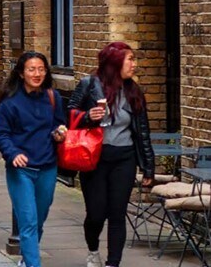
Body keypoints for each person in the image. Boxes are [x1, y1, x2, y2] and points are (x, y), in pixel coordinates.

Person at [70, 41, 155, 267]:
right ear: (115, 63)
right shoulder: (89, 85)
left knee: (118, 213)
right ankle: (93, 250)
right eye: (130, 59)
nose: (134, 64)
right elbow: (69, 114)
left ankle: (113, 263)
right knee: (96, 214)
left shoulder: (133, 91)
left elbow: (142, 131)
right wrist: (88, 116)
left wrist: (148, 165)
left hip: (124, 159)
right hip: (94, 159)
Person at [0, 52, 68, 267]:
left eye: (41, 69)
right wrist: (13, 153)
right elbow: (1, 135)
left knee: (39, 220)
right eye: (31, 69)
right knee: (28, 222)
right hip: (21, 170)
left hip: (47, 167)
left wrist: (59, 133)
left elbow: (58, 124)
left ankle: (27, 260)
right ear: (21, 73)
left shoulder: (53, 98)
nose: (37, 74)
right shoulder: (10, 103)